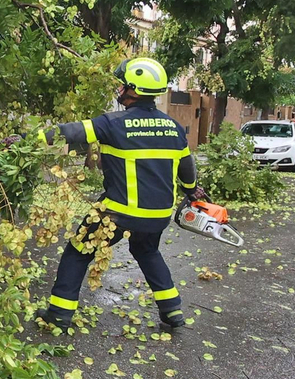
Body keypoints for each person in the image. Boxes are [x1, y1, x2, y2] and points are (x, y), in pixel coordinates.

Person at [33, 56, 204, 329]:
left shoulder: (112, 123)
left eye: (124, 85)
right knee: (147, 251)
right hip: (159, 214)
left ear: (134, 89)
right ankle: (172, 311)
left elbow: (70, 133)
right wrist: (192, 191)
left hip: (117, 212)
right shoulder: (173, 127)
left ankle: (59, 313)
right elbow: (187, 167)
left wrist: (31, 139)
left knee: (78, 251)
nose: (120, 89)